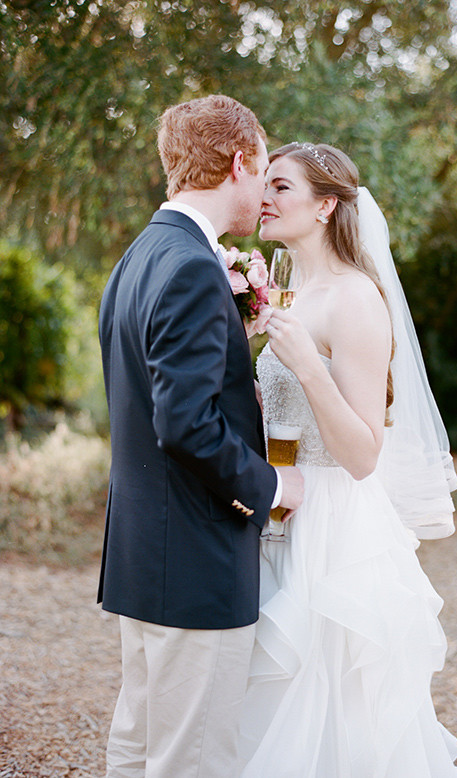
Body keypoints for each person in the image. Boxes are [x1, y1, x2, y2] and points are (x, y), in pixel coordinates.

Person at [238, 142, 457, 777]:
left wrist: (309, 368)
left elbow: (363, 454)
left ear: (325, 206)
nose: (263, 198)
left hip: (333, 527)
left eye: (281, 187)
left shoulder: (356, 298)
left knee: (330, 705)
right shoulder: (286, 291)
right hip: (281, 506)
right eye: (264, 185)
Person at [97, 96, 303, 778]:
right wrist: (271, 485)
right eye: (263, 170)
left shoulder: (139, 256)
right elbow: (184, 424)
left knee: (137, 748)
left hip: (143, 554)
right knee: (194, 760)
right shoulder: (191, 266)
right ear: (239, 163)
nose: (264, 190)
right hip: (194, 559)